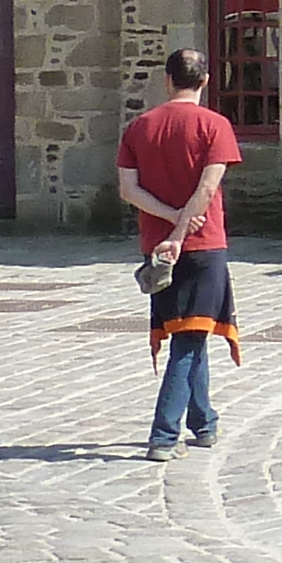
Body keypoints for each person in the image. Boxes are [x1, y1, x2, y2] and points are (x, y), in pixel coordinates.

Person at [115, 48, 244, 460]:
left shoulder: (139, 127)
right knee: (188, 342)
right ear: (205, 81)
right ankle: (163, 435)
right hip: (203, 246)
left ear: (167, 80)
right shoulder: (215, 126)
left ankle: (204, 423)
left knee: (192, 333)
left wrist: (170, 224)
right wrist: (182, 227)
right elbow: (207, 189)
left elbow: (129, 190)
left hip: (158, 247)